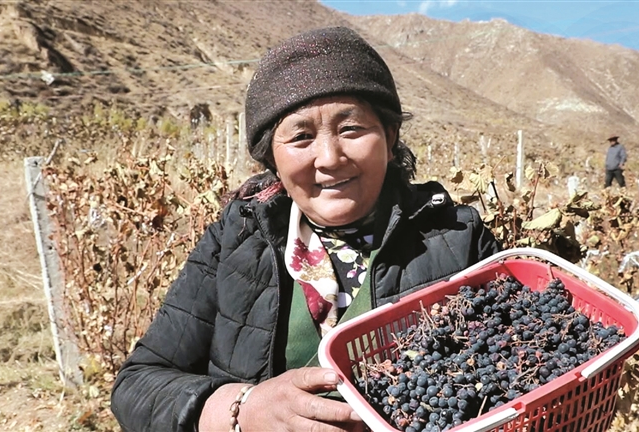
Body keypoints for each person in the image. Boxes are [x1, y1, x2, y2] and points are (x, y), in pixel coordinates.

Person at [110, 26, 500, 432]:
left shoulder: (457, 238)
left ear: (389, 136)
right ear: (271, 159)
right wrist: (242, 408)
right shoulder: (238, 239)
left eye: (351, 129)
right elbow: (137, 385)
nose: (329, 158)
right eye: (301, 137)